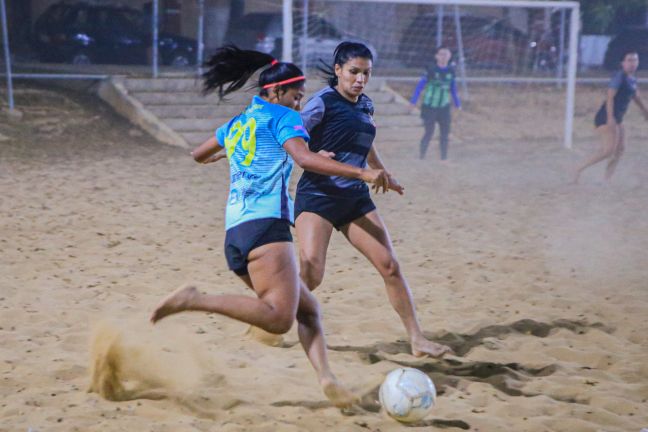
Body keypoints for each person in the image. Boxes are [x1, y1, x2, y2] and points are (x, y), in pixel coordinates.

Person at [149, 45, 391, 407]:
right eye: (297, 96)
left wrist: (228, 152)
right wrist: (362, 171)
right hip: (267, 230)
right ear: (276, 92)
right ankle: (194, 300)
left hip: (236, 235)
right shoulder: (283, 117)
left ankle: (328, 380)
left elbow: (197, 155)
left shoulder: (239, 122)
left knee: (307, 310)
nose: (300, 103)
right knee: (279, 320)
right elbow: (304, 158)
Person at [294, 42, 452, 358]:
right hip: (318, 197)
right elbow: (293, 137)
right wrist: (312, 152)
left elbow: (365, 143)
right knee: (312, 271)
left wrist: (382, 172)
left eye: (366, 73)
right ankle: (270, 312)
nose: (360, 79)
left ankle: (417, 340)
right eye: (354, 72)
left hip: (354, 199)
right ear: (338, 70)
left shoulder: (365, 105)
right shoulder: (321, 102)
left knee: (389, 266)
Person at [573, 51, 648, 183]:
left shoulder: (632, 79)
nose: (633, 63)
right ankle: (578, 169)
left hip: (618, 118)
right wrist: (610, 118)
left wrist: (644, 111)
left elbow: (636, 97)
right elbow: (610, 98)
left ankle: (606, 180)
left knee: (620, 150)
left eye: (635, 60)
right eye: (629, 60)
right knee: (608, 151)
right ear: (622, 63)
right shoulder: (619, 77)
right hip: (606, 117)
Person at [410, 46, 461, 160]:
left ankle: (444, 158)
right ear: (436, 56)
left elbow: (453, 88)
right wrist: (413, 101)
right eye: (441, 54)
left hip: (444, 107)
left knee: (445, 133)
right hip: (429, 107)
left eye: (446, 54)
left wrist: (458, 104)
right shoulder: (431, 70)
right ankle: (421, 157)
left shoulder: (451, 71)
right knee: (429, 132)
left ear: (450, 56)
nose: (444, 57)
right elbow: (420, 86)